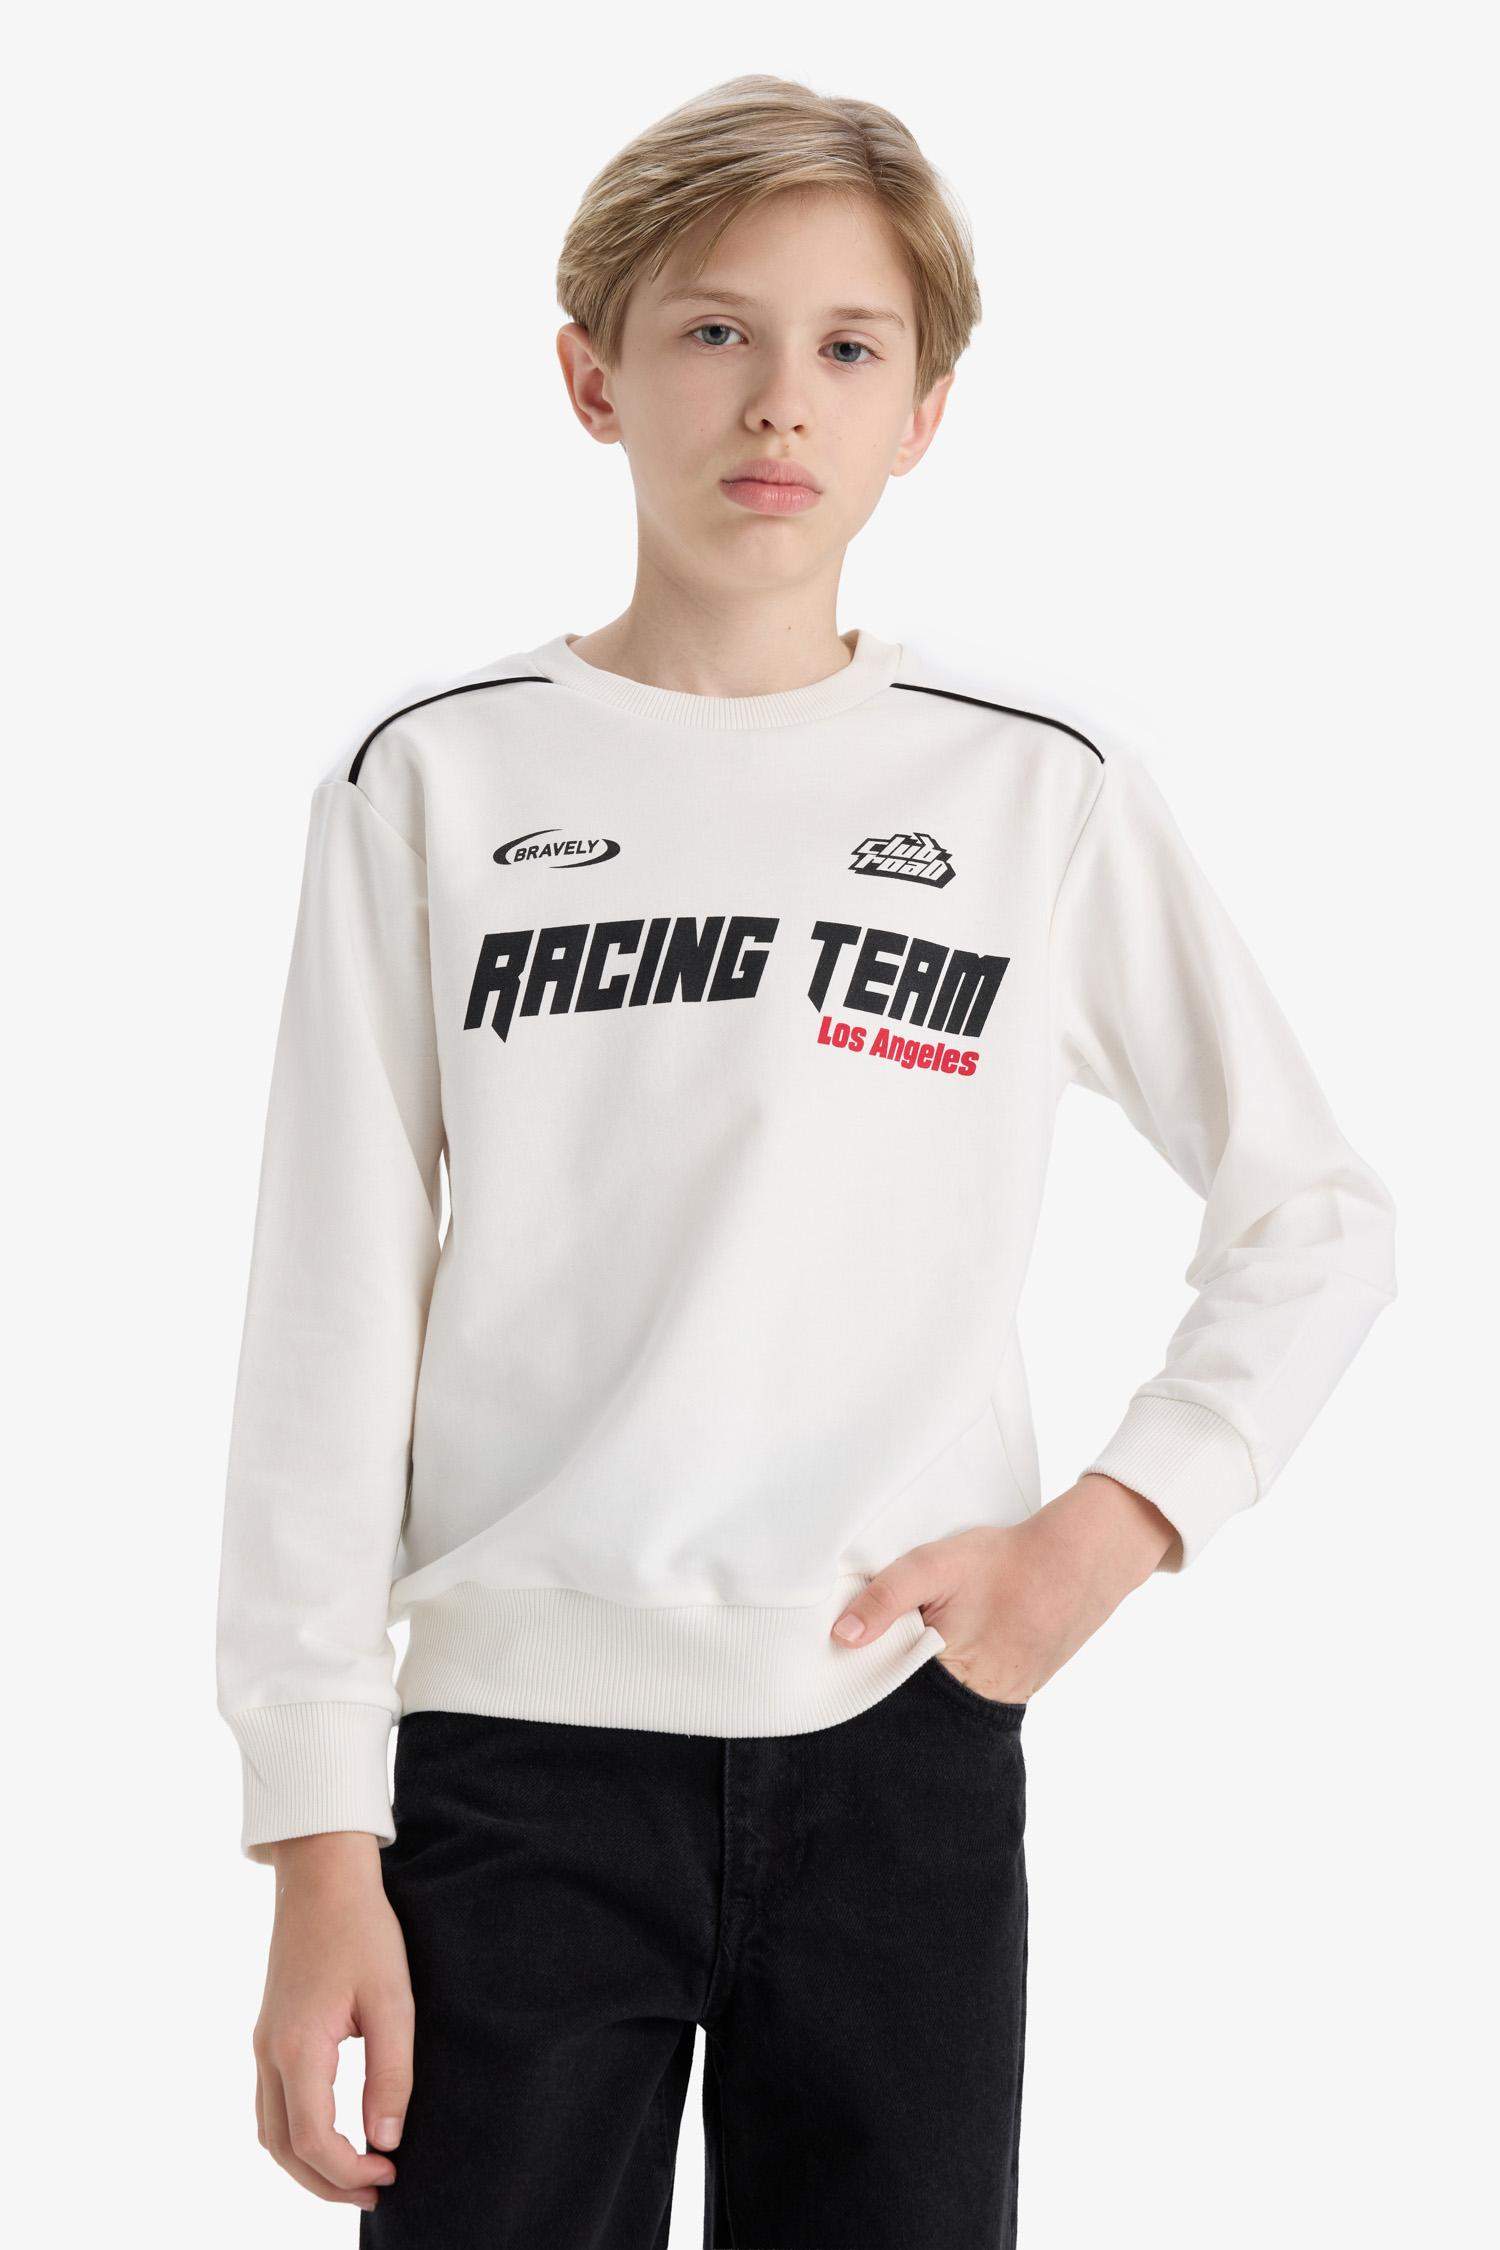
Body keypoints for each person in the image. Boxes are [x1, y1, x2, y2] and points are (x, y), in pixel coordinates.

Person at [215, 72, 1398, 2248]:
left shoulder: (1037, 791)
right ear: (592, 376)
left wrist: (1111, 1532)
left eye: (850, 346)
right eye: (713, 331)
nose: (779, 399)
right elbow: (327, 1318)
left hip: (897, 1753)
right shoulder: (434, 782)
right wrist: (314, 1839)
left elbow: (1315, 1214)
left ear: (925, 409)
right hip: (510, 1766)